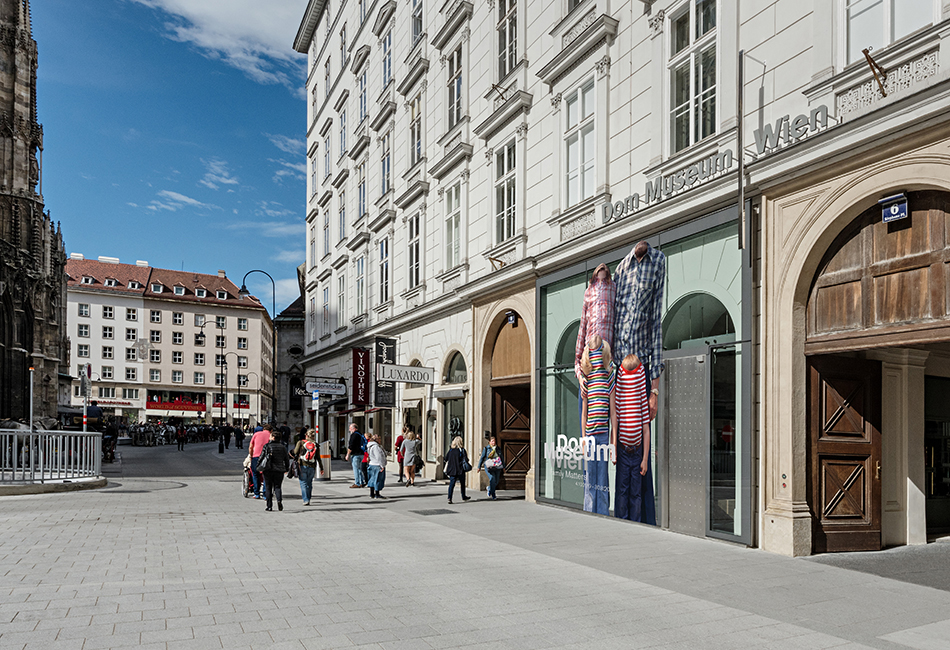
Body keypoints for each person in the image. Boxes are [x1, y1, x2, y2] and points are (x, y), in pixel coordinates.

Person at [613, 241, 666, 526]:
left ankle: (643, 520)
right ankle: (621, 517)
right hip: (618, 366)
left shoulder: (658, 262)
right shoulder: (619, 271)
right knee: (623, 472)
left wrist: (654, 388)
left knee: (640, 475)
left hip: (641, 368)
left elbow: (656, 325)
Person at [611, 353, 651, 522]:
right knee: (622, 491)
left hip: (636, 451)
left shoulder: (641, 397)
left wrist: (644, 459)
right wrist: (614, 448)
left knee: (635, 492)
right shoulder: (620, 395)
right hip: (623, 449)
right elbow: (615, 422)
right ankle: (622, 521)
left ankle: (634, 523)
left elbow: (646, 428)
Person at [580, 334, 615, 516]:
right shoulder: (587, 380)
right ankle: (589, 512)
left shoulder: (609, 379)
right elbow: (584, 413)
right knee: (590, 477)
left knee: (602, 477)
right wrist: (584, 438)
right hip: (591, 435)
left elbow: (613, 413)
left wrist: (612, 442)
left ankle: (602, 513)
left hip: (602, 435)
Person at [260, 428, 290, 511]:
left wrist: (259, 466)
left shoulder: (267, 446)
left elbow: (261, 457)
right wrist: (286, 468)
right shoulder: (282, 447)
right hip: (279, 469)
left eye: (270, 436)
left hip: (268, 469)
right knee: (278, 487)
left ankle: (269, 506)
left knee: (268, 487)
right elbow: (286, 459)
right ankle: (279, 501)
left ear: (273, 438)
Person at [292, 427, 323, 506]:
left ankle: (305, 500)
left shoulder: (301, 442)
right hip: (312, 466)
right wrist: (321, 468)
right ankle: (308, 498)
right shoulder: (316, 444)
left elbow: (295, 452)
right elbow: (318, 457)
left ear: (306, 435)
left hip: (302, 465)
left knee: (303, 483)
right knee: (309, 483)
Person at [444, 436, 471, 504]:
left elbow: (445, 459)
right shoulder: (462, 450)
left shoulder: (450, 451)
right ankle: (463, 496)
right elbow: (466, 459)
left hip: (452, 470)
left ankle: (449, 498)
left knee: (451, 484)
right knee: (462, 483)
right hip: (460, 469)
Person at [477, 434, 504, 500]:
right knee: (492, 478)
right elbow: (482, 458)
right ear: (489, 442)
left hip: (497, 466)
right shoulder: (486, 449)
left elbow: (501, 458)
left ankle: (489, 488)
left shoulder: (498, 449)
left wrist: (504, 466)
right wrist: (479, 467)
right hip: (489, 467)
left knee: (496, 481)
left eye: (494, 441)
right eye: (492, 441)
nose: (493, 442)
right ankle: (493, 494)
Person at [248, 425, 271, 499]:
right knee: (266, 475)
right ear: (271, 430)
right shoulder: (271, 435)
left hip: (256, 456)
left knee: (255, 474)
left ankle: (256, 493)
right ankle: (265, 494)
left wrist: (251, 456)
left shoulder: (256, 434)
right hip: (266, 457)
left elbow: (251, 446)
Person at [345, 423, 367, 488]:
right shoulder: (360, 434)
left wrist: (347, 454)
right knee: (359, 468)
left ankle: (357, 483)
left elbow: (351, 446)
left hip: (355, 454)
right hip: (361, 454)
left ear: (354, 428)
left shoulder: (353, 435)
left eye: (350, 428)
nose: (349, 430)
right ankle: (362, 482)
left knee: (356, 469)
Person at [366, 433, 387, 499]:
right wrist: (382, 465)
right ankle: (377, 494)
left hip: (372, 464)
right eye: (379, 438)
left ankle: (372, 493)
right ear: (377, 439)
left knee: (372, 479)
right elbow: (379, 457)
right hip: (377, 465)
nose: (380, 440)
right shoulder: (376, 447)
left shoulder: (370, 446)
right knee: (378, 479)